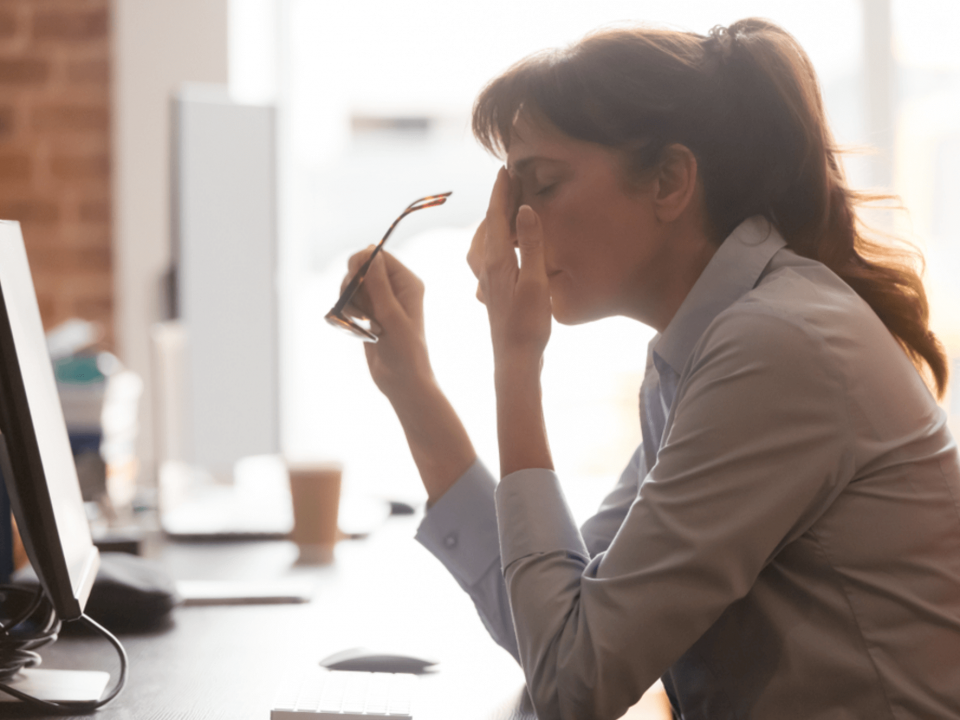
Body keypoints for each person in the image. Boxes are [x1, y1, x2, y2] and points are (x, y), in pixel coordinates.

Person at [339, 18, 960, 720]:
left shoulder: (777, 347)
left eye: (539, 185)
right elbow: (550, 626)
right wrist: (412, 386)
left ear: (669, 181)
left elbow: (575, 685)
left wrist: (516, 363)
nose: (511, 226)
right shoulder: (707, 347)